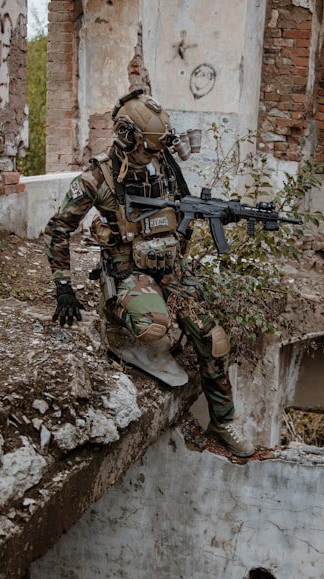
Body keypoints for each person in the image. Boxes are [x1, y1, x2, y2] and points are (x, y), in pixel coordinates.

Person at [44, 89, 253, 458]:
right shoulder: (96, 179)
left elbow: (182, 210)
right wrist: (64, 288)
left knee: (215, 341)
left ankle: (223, 421)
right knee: (154, 326)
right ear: (126, 138)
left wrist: (218, 216)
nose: (156, 155)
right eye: (150, 148)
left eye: (160, 149)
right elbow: (59, 229)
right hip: (127, 273)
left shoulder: (164, 166)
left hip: (169, 269)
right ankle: (114, 321)